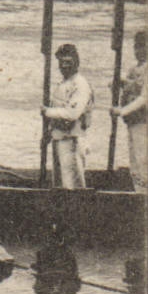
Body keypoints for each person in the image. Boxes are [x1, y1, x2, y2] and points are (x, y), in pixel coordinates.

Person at [44, 43, 93, 189]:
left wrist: (47, 112)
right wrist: (48, 132)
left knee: (72, 187)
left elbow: (72, 114)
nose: (65, 66)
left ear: (76, 62)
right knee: (59, 186)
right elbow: (57, 110)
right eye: (62, 62)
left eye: (68, 62)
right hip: (58, 139)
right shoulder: (63, 84)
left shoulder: (81, 85)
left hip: (73, 140)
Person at [111, 29, 146, 191]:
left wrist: (121, 111)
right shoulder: (134, 68)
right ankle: (138, 191)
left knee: (143, 159)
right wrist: (117, 83)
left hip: (144, 121)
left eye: (143, 47)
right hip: (133, 121)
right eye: (136, 47)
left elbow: (144, 98)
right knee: (134, 161)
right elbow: (127, 83)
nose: (139, 51)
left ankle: (144, 194)